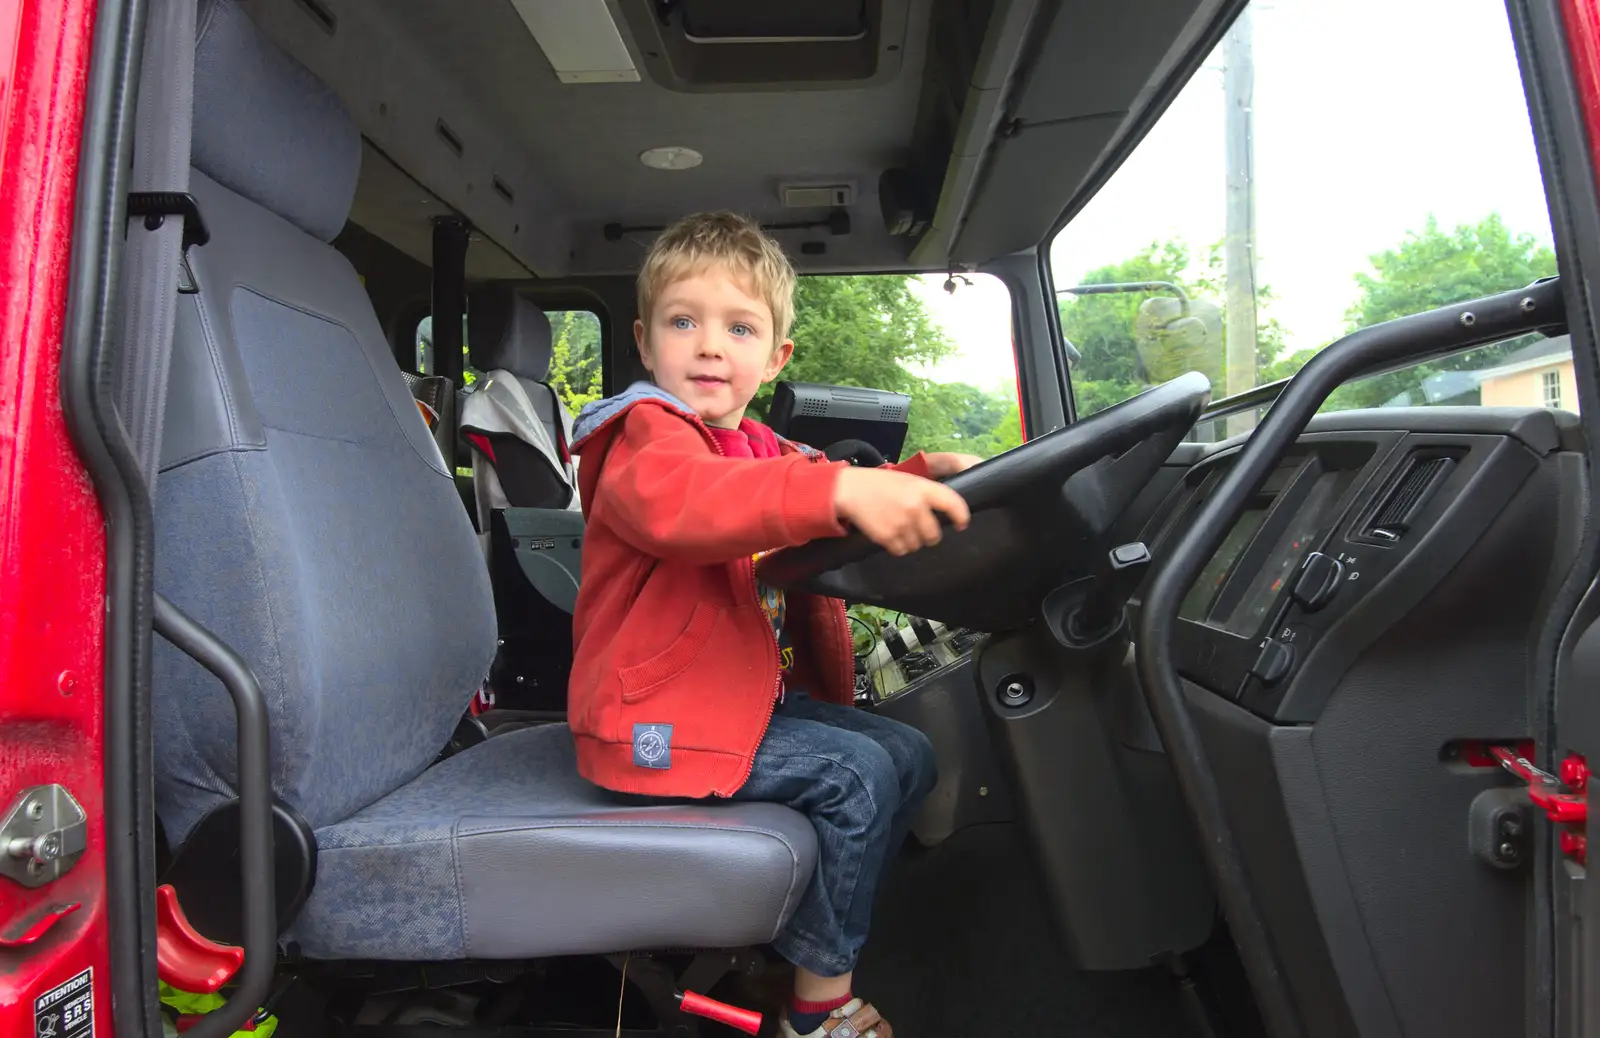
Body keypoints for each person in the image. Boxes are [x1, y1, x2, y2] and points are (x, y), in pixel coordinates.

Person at [569, 212, 981, 1037]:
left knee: (908, 751)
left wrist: (915, 477)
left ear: (776, 357)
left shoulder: (753, 444)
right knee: (857, 776)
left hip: (725, 703)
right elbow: (691, 504)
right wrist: (835, 494)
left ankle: (798, 945)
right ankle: (813, 1010)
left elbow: (804, 481)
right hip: (648, 723)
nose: (710, 346)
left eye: (739, 326)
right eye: (684, 322)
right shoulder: (640, 439)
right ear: (646, 344)